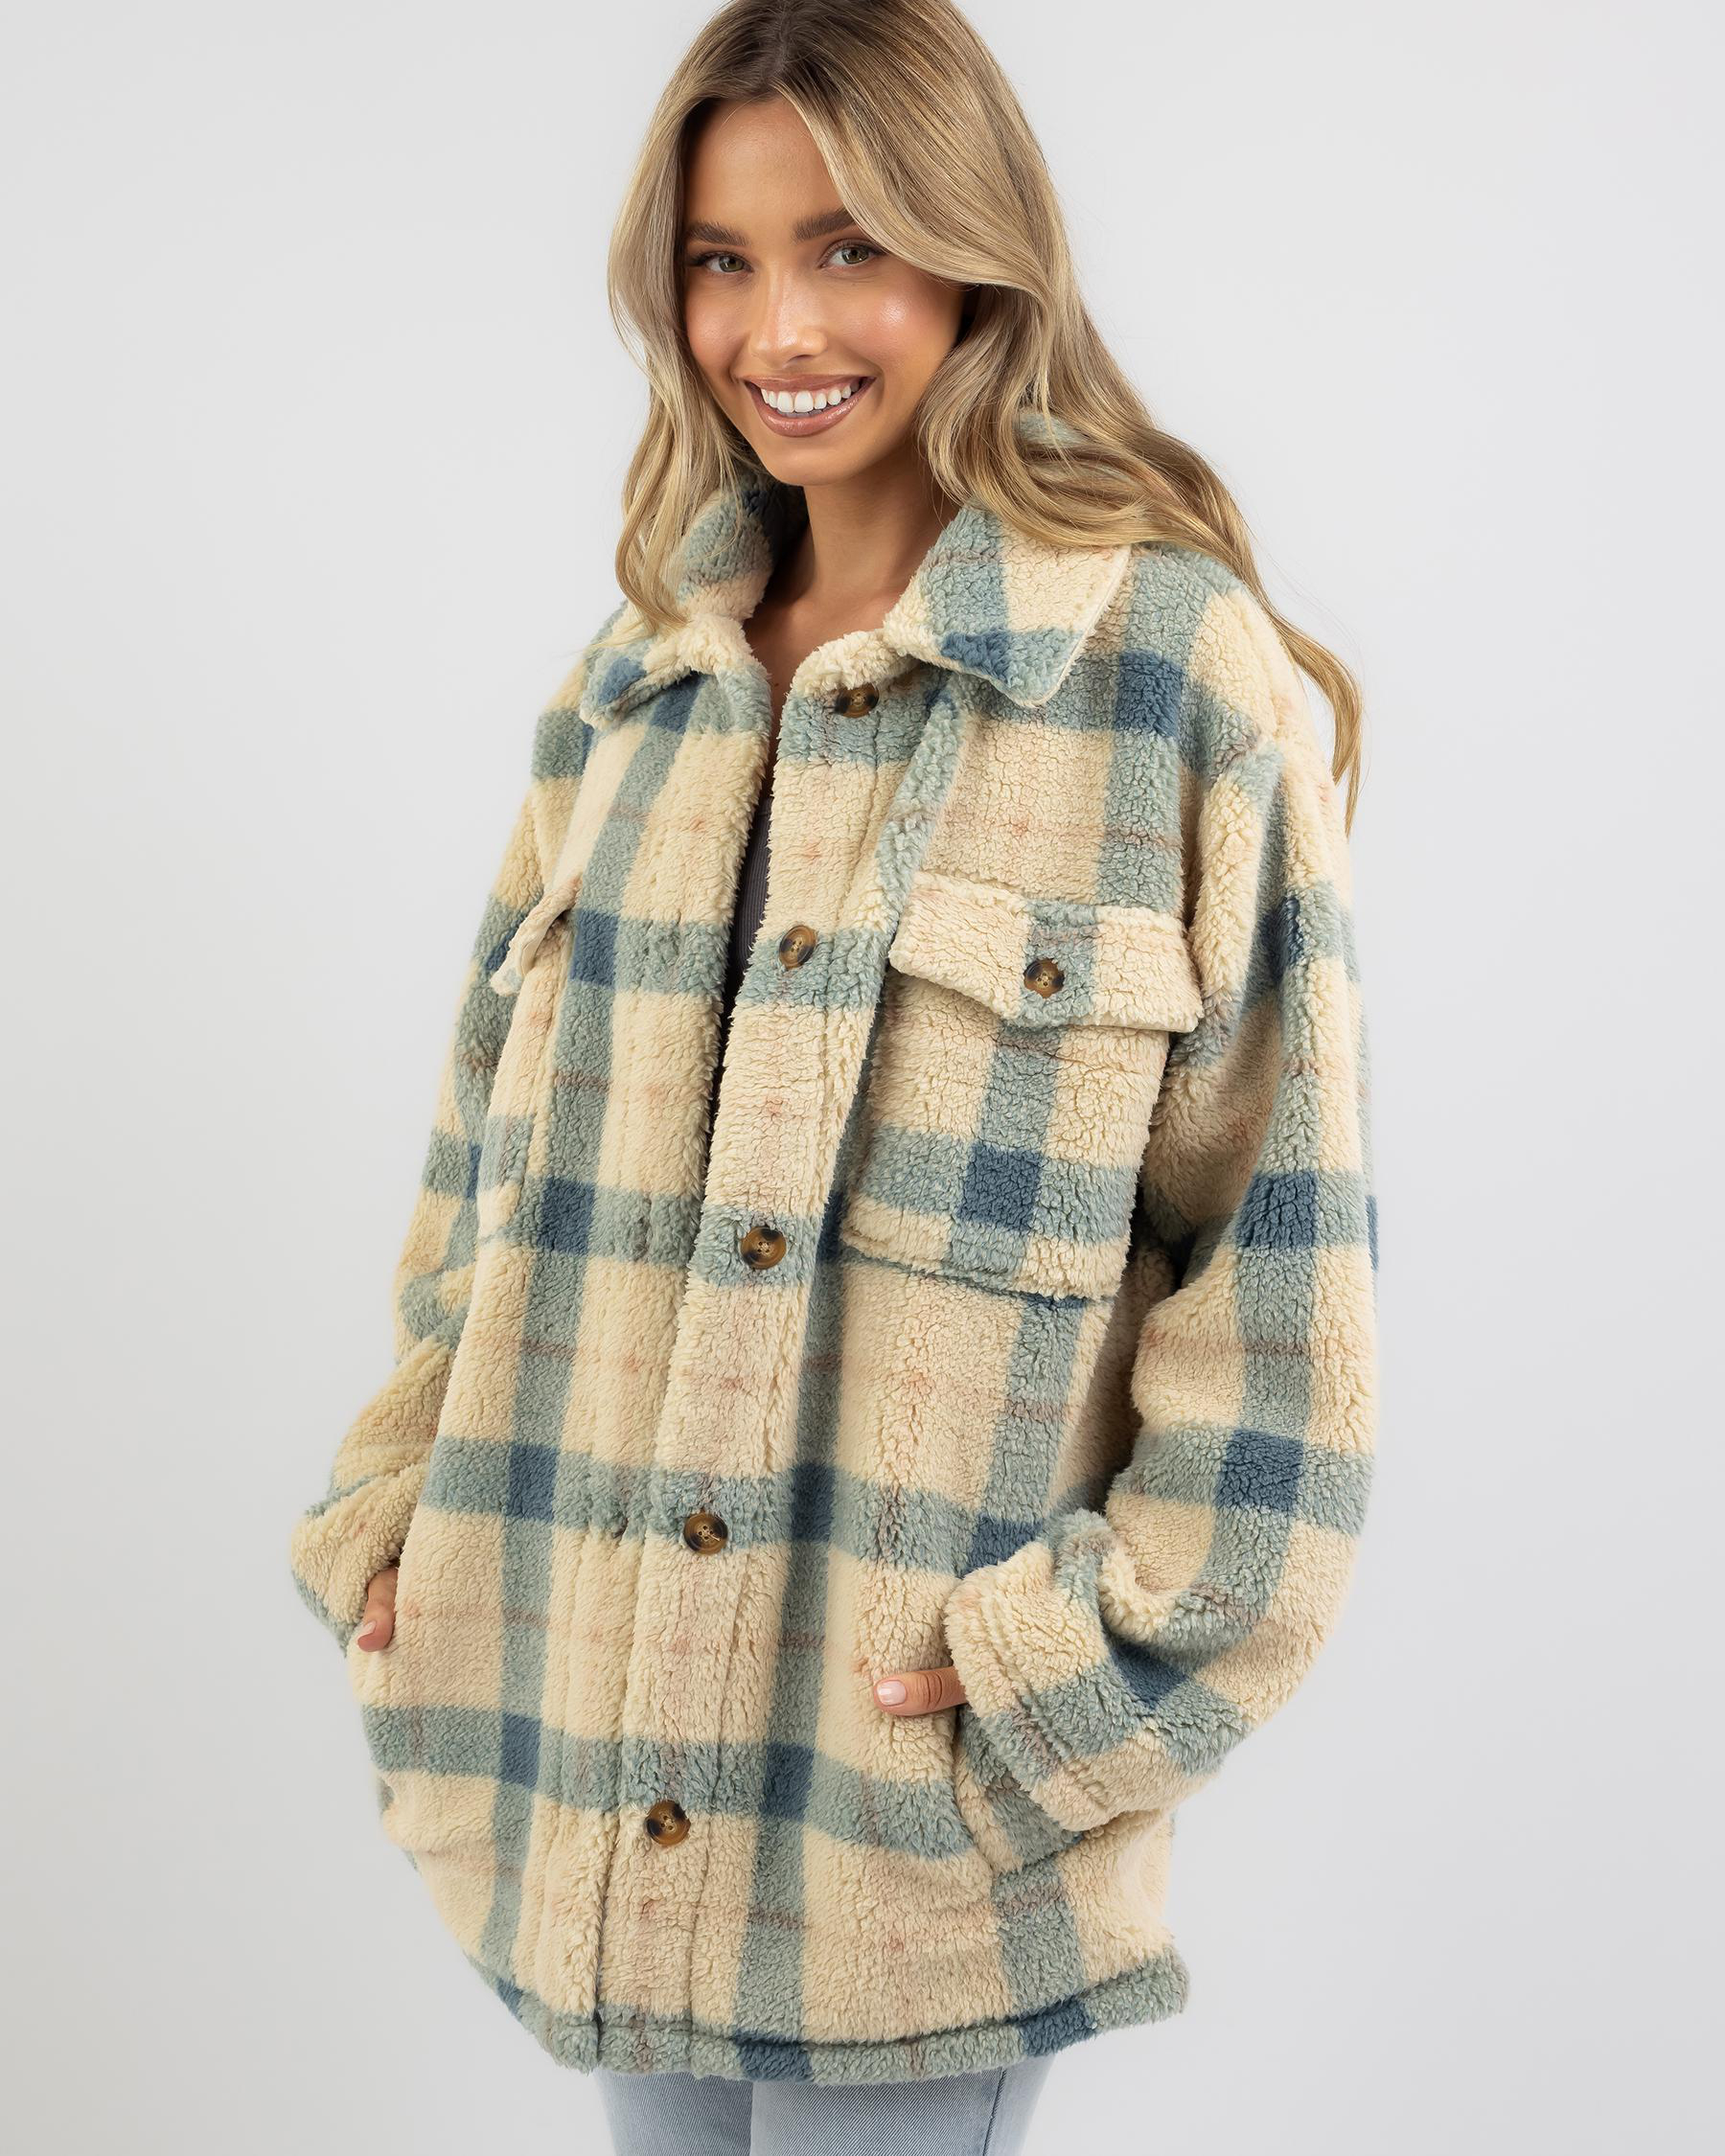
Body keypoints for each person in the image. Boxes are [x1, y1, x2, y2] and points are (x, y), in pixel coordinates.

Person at [286, 2, 1378, 2150]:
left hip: (907, 1806)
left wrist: (1090, 1679)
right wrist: (403, 1516)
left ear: (978, 257)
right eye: (721, 259)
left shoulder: (1167, 678)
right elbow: (478, 1178)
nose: (776, 328)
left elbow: (1282, 1275)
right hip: (582, 1729)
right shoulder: (632, 692)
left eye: (847, 246)